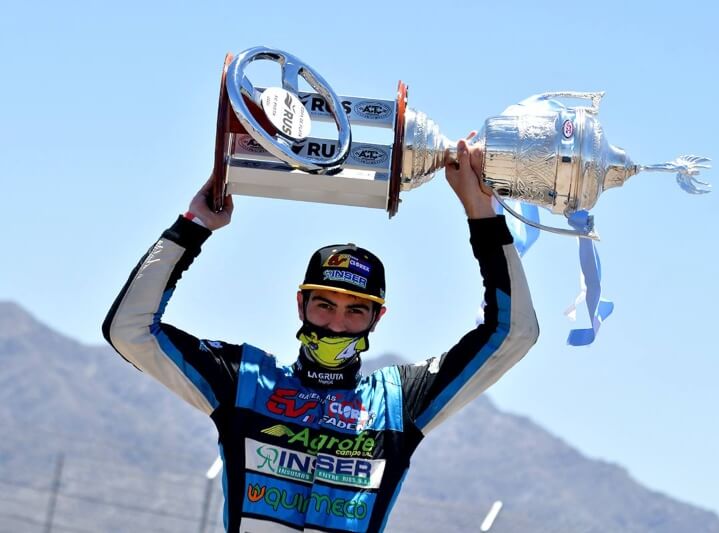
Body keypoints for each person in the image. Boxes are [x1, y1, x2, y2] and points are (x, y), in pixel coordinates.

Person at [103, 138, 538, 533]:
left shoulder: (396, 402)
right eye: (325, 305)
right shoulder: (247, 381)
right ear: (301, 305)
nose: (336, 324)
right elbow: (129, 331)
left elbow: (513, 333)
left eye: (355, 311)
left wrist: (481, 214)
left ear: (376, 319)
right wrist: (193, 226)